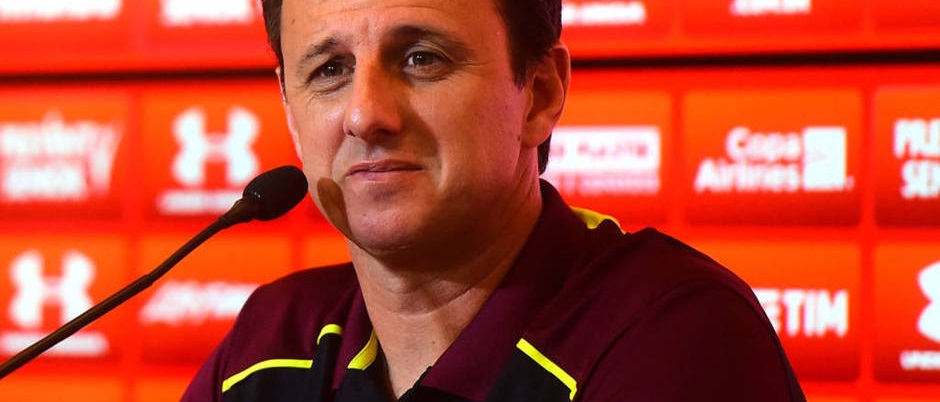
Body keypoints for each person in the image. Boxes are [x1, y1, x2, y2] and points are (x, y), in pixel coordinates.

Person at [182, 0, 808, 400]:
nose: (365, 114)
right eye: (330, 70)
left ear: (540, 94)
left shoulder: (669, 336)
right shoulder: (265, 349)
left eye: (421, 59)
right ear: (289, 111)